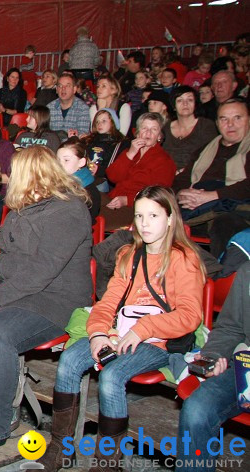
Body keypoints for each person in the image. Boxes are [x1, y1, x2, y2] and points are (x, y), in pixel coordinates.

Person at [0, 146, 93, 454]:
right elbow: (2, 234)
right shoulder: (31, 204)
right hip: (13, 288)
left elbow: (43, 269)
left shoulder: (69, 211)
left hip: (51, 299)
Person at [40, 186, 204, 472]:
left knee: (112, 376)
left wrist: (143, 329)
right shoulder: (129, 254)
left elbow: (190, 316)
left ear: (170, 219)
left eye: (153, 215)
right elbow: (107, 303)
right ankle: (61, 447)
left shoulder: (182, 259)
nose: (145, 223)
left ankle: (107, 463)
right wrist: (99, 333)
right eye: (139, 216)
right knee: (68, 361)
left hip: (159, 340)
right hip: (122, 331)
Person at [176, 262, 250, 472]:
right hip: (246, 369)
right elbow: (231, 328)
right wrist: (212, 357)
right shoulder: (247, 271)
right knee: (198, 408)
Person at [173, 100, 249, 230]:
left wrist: (212, 196)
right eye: (224, 119)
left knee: (224, 224)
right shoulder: (205, 149)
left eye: (237, 118)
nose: (230, 124)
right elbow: (183, 178)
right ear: (217, 123)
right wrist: (182, 194)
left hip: (232, 207)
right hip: (194, 205)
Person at [105, 112, 176, 229]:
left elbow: (158, 195)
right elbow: (112, 176)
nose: (148, 133)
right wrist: (130, 154)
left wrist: (127, 200)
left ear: (159, 136)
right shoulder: (130, 152)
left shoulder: (164, 161)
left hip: (138, 209)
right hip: (113, 199)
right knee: (87, 202)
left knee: (94, 217)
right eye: (144, 128)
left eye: (154, 129)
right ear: (137, 132)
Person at [162, 86, 218, 173]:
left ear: (195, 104)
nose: (185, 103)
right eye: (180, 100)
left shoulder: (206, 126)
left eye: (190, 100)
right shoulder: (165, 128)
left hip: (195, 175)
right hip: (166, 174)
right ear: (174, 106)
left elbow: (210, 157)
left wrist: (183, 172)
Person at [57, 137, 101, 221]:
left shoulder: (89, 192)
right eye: (58, 160)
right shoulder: (54, 183)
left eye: (66, 160)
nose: (60, 164)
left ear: (81, 162)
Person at [84, 109, 125, 192]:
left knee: (98, 188)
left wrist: (99, 170)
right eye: (97, 122)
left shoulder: (120, 144)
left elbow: (118, 170)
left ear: (113, 122)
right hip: (88, 175)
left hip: (105, 179)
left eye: (104, 121)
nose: (100, 124)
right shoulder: (90, 140)